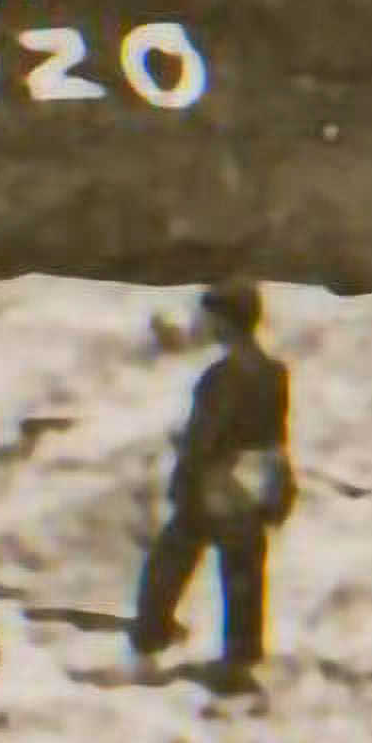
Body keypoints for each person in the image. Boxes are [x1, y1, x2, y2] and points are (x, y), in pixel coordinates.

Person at [127, 278, 297, 688]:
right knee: (244, 569)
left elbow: (205, 435)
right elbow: (276, 435)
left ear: (224, 321)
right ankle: (242, 656)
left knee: (172, 558)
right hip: (252, 481)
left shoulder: (222, 375)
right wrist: (278, 483)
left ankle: (151, 638)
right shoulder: (273, 371)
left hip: (213, 483)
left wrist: (184, 476)